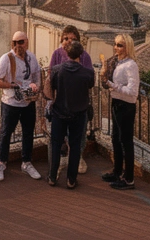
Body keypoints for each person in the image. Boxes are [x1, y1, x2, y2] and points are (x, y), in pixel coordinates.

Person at [0, 31, 43, 182]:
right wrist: (12, 85)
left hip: (28, 102)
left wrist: (36, 88)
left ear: (26, 42)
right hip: (10, 103)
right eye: (15, 42)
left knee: (28, 133)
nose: (18, 45)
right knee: (6, 133)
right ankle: (1, 163)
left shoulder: (31, 57)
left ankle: (26, 162)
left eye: (21, 42)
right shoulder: (6, 59)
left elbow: (37, 76)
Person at [46, 40, 96, 189]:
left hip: (59, 113)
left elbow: (51, 87)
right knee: (74, 147)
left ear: (66, 54)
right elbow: (90, 86)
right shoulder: (87, 73)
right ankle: (71, 180)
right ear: (81, 55)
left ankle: (52, 177)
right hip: (78, 115)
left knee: (56, 145)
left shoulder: (56, 70)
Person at [100, 33, 139, 190]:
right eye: (115, 44)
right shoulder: (117, 62)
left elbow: (133, 91)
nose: (116, 47)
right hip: (117, 103)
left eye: (120, 45)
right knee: (116, 138)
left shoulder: (131, 65)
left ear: (127, 47)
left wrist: (112, 84)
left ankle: (129, 179)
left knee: (126, 142)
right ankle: (117, 171)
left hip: (126, 106)